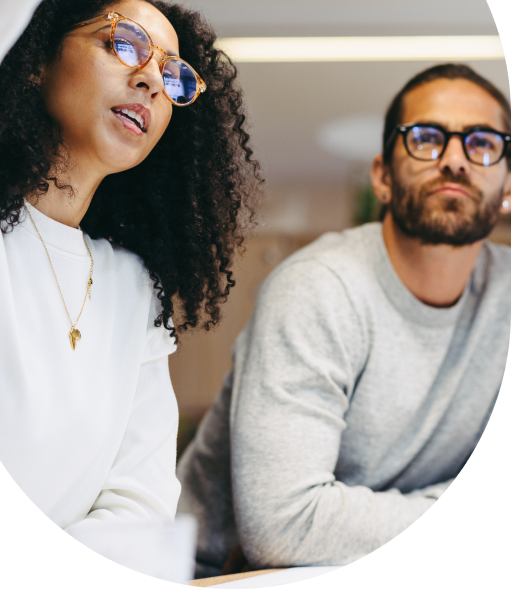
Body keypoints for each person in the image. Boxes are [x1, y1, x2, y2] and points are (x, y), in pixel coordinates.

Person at [0, 0, 261, 545]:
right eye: (124, 45)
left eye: (173, 74)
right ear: (35, 60)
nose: (154, 81)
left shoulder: (133, 288)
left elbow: (139, 501)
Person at [176, 63, 511, 575]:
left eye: (483, 143)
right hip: (225, 573)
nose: (455, 160)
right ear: (381, 176)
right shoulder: (319, 287)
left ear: (506, 183)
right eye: (425, 138)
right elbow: (284, 526)